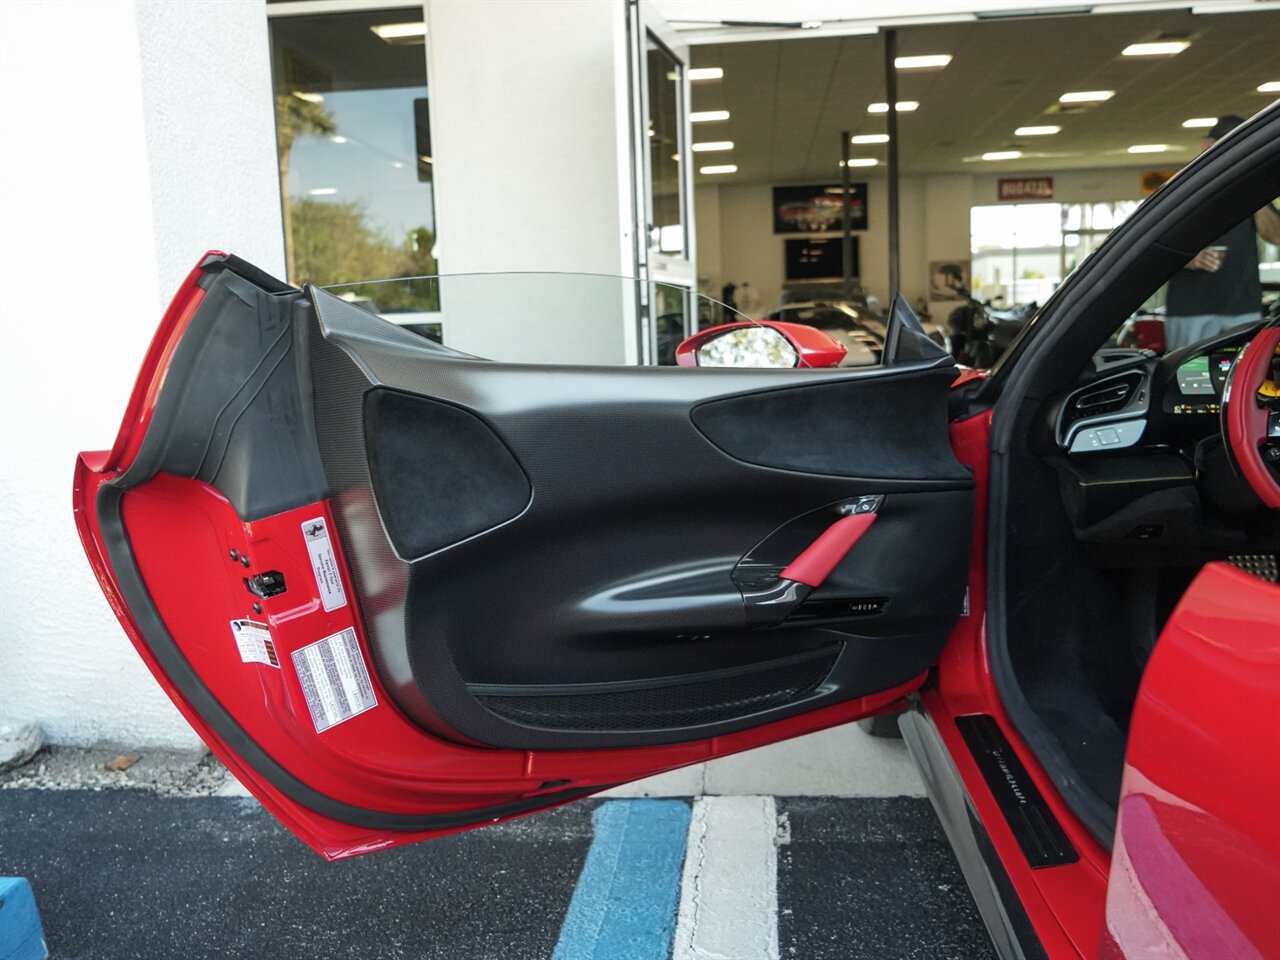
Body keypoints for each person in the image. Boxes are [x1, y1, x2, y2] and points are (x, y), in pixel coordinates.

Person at [1164, 115, 1280, 351]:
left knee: (1243, 378)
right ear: (1208, 146)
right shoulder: (1183, 188)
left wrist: (1253, 193)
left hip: (1242, 309)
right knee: (1188, 380)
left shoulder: (1251, 188)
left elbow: (1276, 236)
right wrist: (1188, 258)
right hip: (1191, 311)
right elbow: (1156, 247)